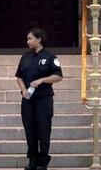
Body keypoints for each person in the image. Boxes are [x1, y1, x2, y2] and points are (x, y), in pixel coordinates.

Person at [15, 27, 63, 170]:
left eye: (30, 38)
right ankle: (32, 160)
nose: (28, 41)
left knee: (43, 129)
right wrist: (23, 90)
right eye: (28, 39)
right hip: (28, 99)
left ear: (39, 39)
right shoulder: (25, 57)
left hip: (43, 99)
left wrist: (42, 80)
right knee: (30, 129)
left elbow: (58, 76)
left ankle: (43, 161)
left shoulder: (50, 57)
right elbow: (19, 76)